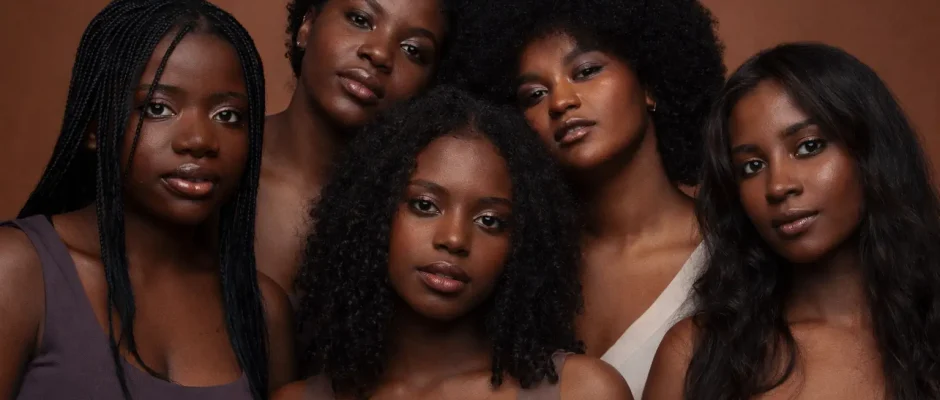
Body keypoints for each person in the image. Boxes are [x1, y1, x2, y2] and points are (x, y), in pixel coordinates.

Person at [0, 1, 295, 398]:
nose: (199, 141)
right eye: (158, 108)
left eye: (227, 115)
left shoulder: (261, 310)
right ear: (95, 128)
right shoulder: (18, 271)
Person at [273, 86, 632, 399]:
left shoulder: (583, 391)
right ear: (372, 213)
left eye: (489, 221)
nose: (455, 239)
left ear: (522, 246)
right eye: (425, 205)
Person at [455, 0, 725, 396]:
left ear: (649, 83)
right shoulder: (515, 263)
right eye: (534, 94)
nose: (561, 101)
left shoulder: (734, 253)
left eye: (586, 71)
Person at [644, 42, 940, 400]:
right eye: (752, 166)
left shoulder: (928, 335)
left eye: (808, 147)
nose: (779, 186)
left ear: (869, 152)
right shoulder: (695, 355)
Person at [257, 0, 457, 296]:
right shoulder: (214, 160)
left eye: (412, 50)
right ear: (307, 26)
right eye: (360, 20)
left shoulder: (414, 219)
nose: (379, 54)